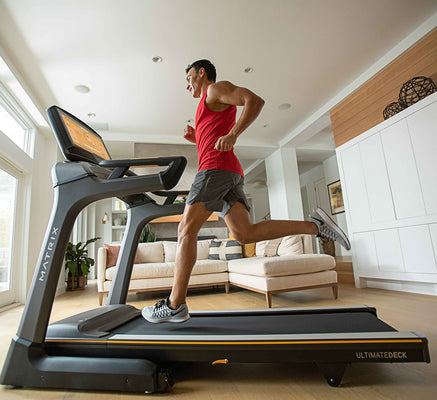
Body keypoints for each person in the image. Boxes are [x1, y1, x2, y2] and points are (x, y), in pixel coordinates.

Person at [142, 59, 350, 323]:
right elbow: (214, 136)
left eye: (188, 78)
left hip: (215, 170)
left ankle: (174, 305)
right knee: (244, 234)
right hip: (229, 172)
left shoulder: (215, 89)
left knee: (185, 231)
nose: (187, 85)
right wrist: (197, 137)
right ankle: (314, 226)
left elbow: (255, 101)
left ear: (201, 72)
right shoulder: (207, 102)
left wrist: (235, 134)